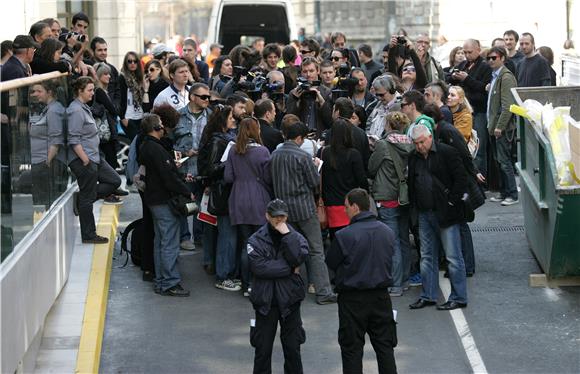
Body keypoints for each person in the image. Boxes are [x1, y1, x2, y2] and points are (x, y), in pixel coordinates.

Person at [326, 188, 398, 374]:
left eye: (346, 206)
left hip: (352, 300)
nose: (345, 210)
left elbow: (331, 262)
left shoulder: (344, 236)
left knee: (351, 350)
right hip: (381, 298)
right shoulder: (387, 232)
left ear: (355, 207)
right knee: (385, 347)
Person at [270, 121, 337, 305]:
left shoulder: (274, 155)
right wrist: (316, 166)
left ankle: (287, 290)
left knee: (289, 250)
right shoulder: (303, 156)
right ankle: (323, 291)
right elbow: (314, 182)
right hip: (304, 208)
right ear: (299, 138)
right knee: (316, 250)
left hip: (283, 210)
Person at [407, 124, 468, 311]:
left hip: (445, 212)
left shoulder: (446, 153)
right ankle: (428, 295)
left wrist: (451, 202)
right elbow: (412, 183)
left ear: (430, 137)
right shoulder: (414, 157)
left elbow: (461, 178)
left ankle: (458, 296)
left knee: (453, 257)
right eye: (416, 143)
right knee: (427, 256)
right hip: (425, 212)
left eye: (422, 142)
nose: (419, 146)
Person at [247, 199, 309, 374]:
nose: (279, 220)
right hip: (266, 303)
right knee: (262, 351)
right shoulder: (255, 239)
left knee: (293, 350)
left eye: (282, 216)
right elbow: (259, 268)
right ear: (267, 216)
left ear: (287, 216)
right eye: (275, 217)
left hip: (290, 301)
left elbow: (299, 257)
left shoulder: (296, 237)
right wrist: (289, 268)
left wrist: (287, 236)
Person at [138, 113, 193, 297]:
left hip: (154, 200)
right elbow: (168, 177)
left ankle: (162, 280)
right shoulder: (156, 149)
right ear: (155, 128)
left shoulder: (145, 146)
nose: (163, 128)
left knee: (161, 242)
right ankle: (170, 282)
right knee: (169, 242)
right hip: (163, 201)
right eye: (161, 125)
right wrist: (186, 191)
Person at [67, 77, 122, 244]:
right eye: (90, 90)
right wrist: (85, 160)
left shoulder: (83, 107)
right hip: (85, 159)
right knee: (87, 198)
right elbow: (73, 139)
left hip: (95, 156)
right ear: (80, 91)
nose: (93, 93)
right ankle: (89, 234)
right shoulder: (75, 111)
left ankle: (84, 198)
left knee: (114, 180)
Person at [224, 117, 272, 295]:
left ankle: (246, 284)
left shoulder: (233, 150)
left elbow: (228, 177)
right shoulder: (263, 151)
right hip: (259, 199)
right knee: (260, 243)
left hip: (238, 199)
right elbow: (268, 177)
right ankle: (258, 282)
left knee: (246, 243)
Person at [368, 111, 414, 298]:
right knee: (403, 240)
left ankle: (395, 285)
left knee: (392, 242)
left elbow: (371, 168)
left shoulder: (383, 145)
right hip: (404, 197)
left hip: (387, 197)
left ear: (388, 125)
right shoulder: (410, 144)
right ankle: (404, 279)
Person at [197, 105, 239, 291]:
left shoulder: (223, 138)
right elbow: (210, 169)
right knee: (227, 236)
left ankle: (223, 271)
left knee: (226, 235)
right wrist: (229, 162)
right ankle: (223, 275)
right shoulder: (218, 141)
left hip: (225, 192)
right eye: (231, 117)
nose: (234, 120)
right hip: (222, 194)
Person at [448, 38, 491, 178]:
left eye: (470, 52)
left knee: (478, 147)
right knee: (463, 147)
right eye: (465, 52)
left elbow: (485, 89)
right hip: (462, 111)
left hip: (479, 111)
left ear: (478, 50)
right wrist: (454, 76)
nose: (467, 55)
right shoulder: (463, 64)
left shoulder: (485, 66)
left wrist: (466, 79)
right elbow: (449, 77)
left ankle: (480, 180)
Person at [320, 119, 368, 239]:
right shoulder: (354, 154)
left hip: (331, 205)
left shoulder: (324, 152)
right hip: (351, 204)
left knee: (336, 240)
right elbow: (361, 179)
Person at [486, 46, 519, 206]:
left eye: (494, 57)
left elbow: (507, 106)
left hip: (502, 128)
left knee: (505, 162)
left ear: (502, 58)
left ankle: (512, 194)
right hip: (494, 127)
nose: (491, 60)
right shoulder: (496, 76)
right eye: (489, 58)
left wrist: (500, 126)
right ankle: (504, 192)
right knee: (499, 161)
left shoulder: (506, 77)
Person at [29, 81, 68, 208]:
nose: (35, 94)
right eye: (33, 91)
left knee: (44, 202)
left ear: (49, 93)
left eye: (39, 91)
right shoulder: (47, 108)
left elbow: (56, 140)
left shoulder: (53, 110)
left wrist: (47, 162)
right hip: (40, 162)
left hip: (45, 163)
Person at [286, 57, 333, 137]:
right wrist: (296, 100)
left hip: (320, 138)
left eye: (311, 71)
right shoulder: (294, 93)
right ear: (301, 73)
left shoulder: (327, 93)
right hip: (300, 139)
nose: (308, 75)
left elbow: (330, 121)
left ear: (318, 71)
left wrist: (322, 103)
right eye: (305, 71)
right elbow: (289, 121)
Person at [92, 62, 120, 169]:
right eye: (105, 74)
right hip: (104, 134)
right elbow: (113, 110)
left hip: (101, 133)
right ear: (98, 75)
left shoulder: (100, 90)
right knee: (110, 162)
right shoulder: (99, 92)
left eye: (109, 74)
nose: (109, 76)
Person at [119, 51, 145, 140]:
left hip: (140, 116)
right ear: (126, 63)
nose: (132, 63)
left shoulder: (140, 78)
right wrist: (122, 118)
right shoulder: (122, 77)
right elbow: (120, 99)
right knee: (135, 142)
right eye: (129, 61)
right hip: (128, 117)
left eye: (135, 61)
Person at [90, 36, 121, 110]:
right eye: (100, 50)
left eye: (105, 50)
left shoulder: (112, 69)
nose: (103, 53)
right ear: (92, 51)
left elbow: (118, 91)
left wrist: (115, 106)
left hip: (112, 112)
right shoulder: (88, 68)